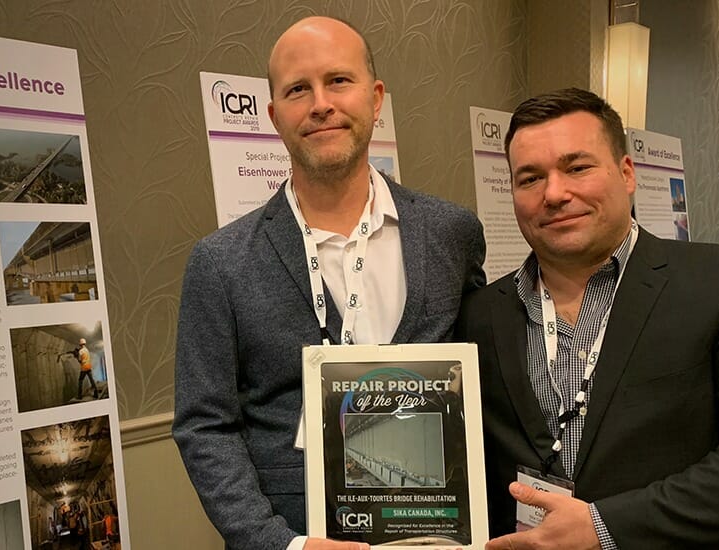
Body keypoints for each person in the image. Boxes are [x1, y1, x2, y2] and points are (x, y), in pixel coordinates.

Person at [454, 88, 719, 549]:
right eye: (529, 178)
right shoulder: (479, 313)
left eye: (577, 167)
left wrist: (605, 527)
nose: (553, 193)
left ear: (626, 174)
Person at [173, 16, 486, 550]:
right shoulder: (220, 263)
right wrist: (278, 544)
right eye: (298, 89)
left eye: (339, 80)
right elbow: (204, 427)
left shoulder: (451, 234)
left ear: (376, 97)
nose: (320, 103)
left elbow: (481, 380)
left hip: (435, 533)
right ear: (275, 117)